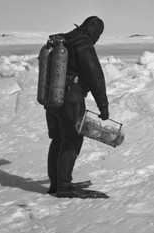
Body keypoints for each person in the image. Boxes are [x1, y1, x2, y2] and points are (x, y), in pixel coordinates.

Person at [45, 16, 109, 198]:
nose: (97, 38)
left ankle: (56, 183)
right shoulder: (83, 44)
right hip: (70, 98)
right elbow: (95, 75)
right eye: (99, 34)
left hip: (52, 96)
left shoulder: (63, 41)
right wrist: (103, 107)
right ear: (94, 30)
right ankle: (64, 186)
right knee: (72, 139)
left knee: (58, 139)